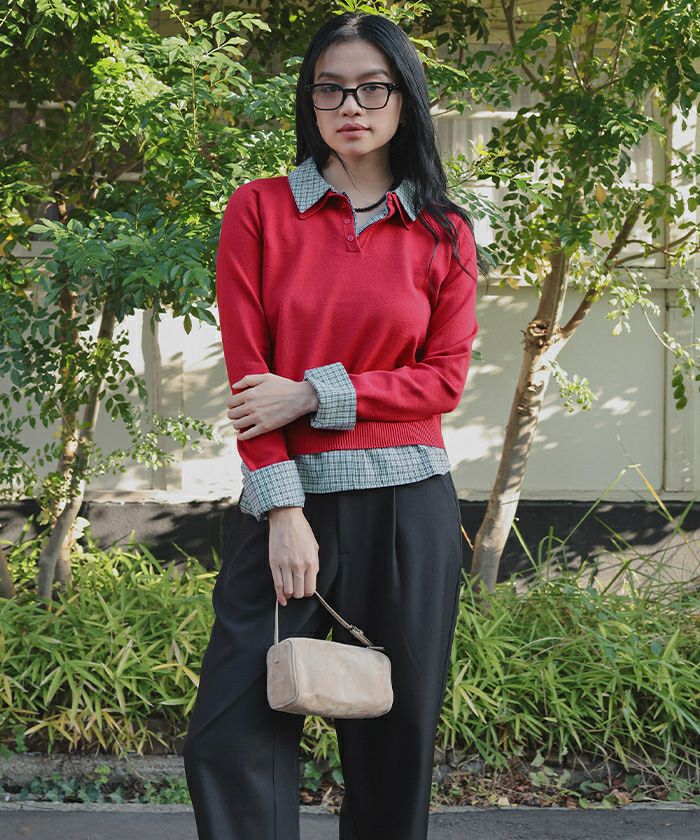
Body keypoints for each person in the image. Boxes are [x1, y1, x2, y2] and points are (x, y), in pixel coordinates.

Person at [183, 11, 485, 840]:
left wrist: (312, 395)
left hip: (408, 510)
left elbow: (443, 380)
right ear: (309, 102)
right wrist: (285, 512)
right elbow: (252, 382)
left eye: (371, 87)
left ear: (404, 98)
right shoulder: (260, 210)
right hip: (289, 505)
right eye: (330, 89)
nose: (350, 105)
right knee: (230, 735)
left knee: (393, 748)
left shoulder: (443, 230)